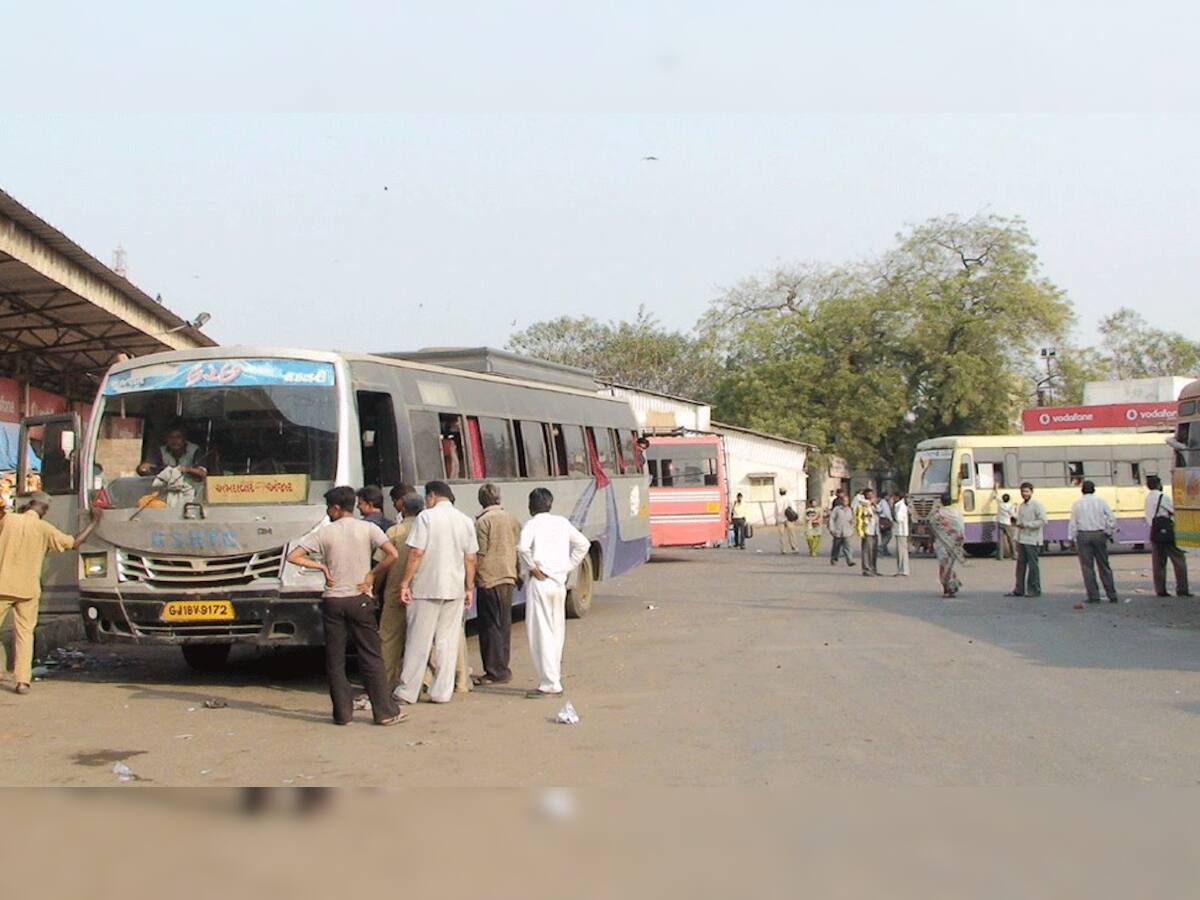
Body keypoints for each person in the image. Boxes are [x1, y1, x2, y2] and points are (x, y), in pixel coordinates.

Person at [286, 486, 404, 726]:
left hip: (333, 600)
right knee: (371, 656)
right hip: (360, 598)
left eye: (329, 507)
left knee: (335, 660)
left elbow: (293, 555)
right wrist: (371, 575)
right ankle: (384, 711)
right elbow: (392, 554)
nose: (329, 512)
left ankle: (342, 714)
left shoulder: (324, 533)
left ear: (337, 508)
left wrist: (321, 568)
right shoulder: (368, 528)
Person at [0, 492, 100, 694]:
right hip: (28, 590)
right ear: (44, 510)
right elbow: (74, 542)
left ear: (29, 505)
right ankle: (22, 681)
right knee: (25, 635)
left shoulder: (9, 520)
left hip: (3, 586)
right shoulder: (45, 528)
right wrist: (94, 522)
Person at [394, 481, 478, 705]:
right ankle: (442, 692)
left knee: (418, 642)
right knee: (447, 641)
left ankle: (407, 691)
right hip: (455, 588)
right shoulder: (465, 520)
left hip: (426, 587)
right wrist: (469, 587)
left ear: (431, 496)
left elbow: (416, 553)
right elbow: (470, 558)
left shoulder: (426, 518)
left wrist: (404, 583)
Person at [517, 487, 590, 698]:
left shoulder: (532, 524)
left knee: (541, 633)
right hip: (559, 583)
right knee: (557, 632)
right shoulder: (561, 523)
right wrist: (568, 566)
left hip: (540, 583)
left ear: (531, 506)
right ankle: (554, 677)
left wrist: (532, 568)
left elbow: (522, 548)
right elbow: (583, 544)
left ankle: (549, 683)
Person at [473, 483, 522, 685]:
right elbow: (516, 548)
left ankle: (495, 671)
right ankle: (503, 666)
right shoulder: (511, 519)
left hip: (489, 579)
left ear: (481, 500)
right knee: (504, 624)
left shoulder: (483, 522)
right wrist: (518, 572)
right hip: (508, 576)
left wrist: (472, 577)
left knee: (489, 626)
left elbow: (480, 554)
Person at [379, 492, 425, 691]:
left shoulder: (394, 532)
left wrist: (375, 589)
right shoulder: (428, 530)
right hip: (421, 592)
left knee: (389, 638)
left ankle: (385, 682)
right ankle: (425, 680)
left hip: (394, 591)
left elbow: (381, 564)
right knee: (422, 638)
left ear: (403, 509)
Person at [1067, 480, 1120, 604]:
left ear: (1082, 490)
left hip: (1083, 535)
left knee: (1087, 567)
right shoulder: (1101, 502)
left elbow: (1073, 523)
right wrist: (1108, 532)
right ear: (1094, 489)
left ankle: (1093, 596)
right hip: (1099, 534)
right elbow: (1111, 519)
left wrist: (1071, 538)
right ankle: (1111, 594)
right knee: (1104, 565)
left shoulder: (1077, 504)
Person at [1144, 475, 1191, 598]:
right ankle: (1182, 589)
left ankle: (1160, 590)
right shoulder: (1162, 497)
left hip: (1154, 533)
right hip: (1167, 533)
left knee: (1158, 563)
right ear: (1158, 484)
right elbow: (1174, 510)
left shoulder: (1148, 498)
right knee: (1179, 559)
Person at [1006, 482, 1047, 598]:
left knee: (1033, 566)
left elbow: (1043, 520)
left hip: (1032, 539)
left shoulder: (1036, 505)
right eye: (1023, 492)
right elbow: (1020, 521)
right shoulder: (1022, 506)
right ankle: (1019, 589)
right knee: (1020, 566)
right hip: (1022, 538)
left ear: (1031, 492)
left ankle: (1034, 590)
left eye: (1027, 491)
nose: (1024, 494)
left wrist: (1028, 525)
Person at [930, 493, 964, 597]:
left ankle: (947, 588)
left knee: (943, 566)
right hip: (954, 543)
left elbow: (932, 529)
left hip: (942, 544)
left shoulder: (937, 514)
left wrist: (931, 541)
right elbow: (961, 527)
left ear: (941, 501)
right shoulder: (957, 512)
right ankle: (952, 585)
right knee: (950, 566)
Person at [854, 488, 880, 576]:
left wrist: (875, 504)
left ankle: (873, 568)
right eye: (870, 495)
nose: (872, 496)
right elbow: (859, 516)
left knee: (874, 551)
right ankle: (866, 569)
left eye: (872, 494)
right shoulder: (862, 504)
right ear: (866, 495)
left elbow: (880, 512)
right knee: (867, 551)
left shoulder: (874, 505)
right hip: (867, 530)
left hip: (875, 530)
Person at [828, 495, 855, 567]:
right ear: (841, 501)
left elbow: (853, 520)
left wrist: (852, 529)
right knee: (836, 546)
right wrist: (832, 528)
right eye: (844, 500)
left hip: (847, 531)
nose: (845, 502)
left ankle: (850, 560)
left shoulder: (850, 510)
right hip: (838, 531)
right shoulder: (837, 509)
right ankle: (834, 558)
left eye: (846, 501)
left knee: (848, 546)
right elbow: (832, 519)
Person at [993, 491, 1017, 560]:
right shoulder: (1010, 506)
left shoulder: (1000, 504)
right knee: (1011, 539)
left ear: (1003, 499)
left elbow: (996, 496)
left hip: (1000, 522)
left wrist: (996, 489)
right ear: (1009, 499)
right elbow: (1013, 515)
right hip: (1007, 523)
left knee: (1000, 540)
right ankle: (1014, 555)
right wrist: (1015, 508)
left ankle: (1000, 556)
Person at [893, 491, 911, 576]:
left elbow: (899, 518)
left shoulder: (900, 506)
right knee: (902, 551)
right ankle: (903, 569)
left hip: (901, 531)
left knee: (901, 552)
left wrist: (894, 516)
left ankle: (902, 570)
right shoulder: (900, 505)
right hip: (900, 531)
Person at [776, 488, 799, 554]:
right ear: (785, 492)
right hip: (789, 518)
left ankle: (783, 549)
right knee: (792, 533)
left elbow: (776, 510)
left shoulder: (778, 500)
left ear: (780, 492)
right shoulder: (789, 499)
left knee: (782, 534)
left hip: (780, 518)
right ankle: (794, 547)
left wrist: (776, 519)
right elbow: (793, 508)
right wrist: (794, 517)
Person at [875, 492, 894, 557]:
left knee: (884, 536)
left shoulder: (880, 502)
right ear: (885, 496)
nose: (889, 497)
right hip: (885, 520)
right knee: (889, 535)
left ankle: (885, 550)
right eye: (888, 496)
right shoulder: (884, 503)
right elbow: (887, 513)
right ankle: (881, 547)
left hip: (881, 520)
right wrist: (891, 520)